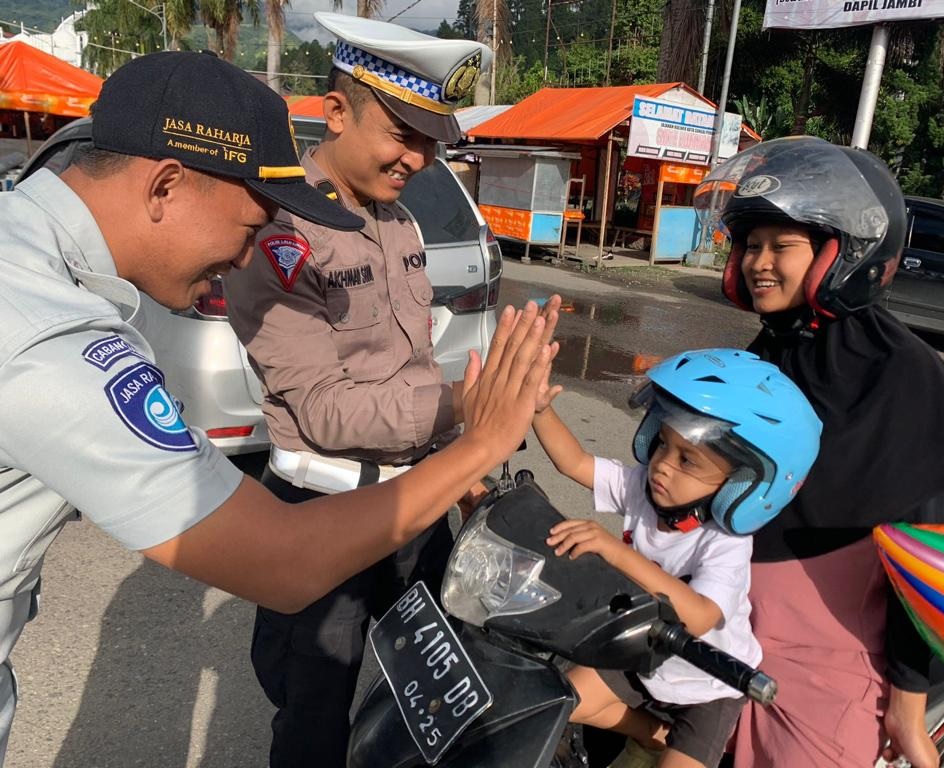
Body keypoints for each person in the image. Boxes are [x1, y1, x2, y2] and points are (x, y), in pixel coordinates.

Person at [0, 50, 558, 766]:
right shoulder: (50, 333)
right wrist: (480, 435)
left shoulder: (30, 257)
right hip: (323, 507)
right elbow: (284, 557)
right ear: (166, 186)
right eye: (245, 227)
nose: (241, 261)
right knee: (313, 718)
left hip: (398, 508)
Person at [221, 14, 497, 765]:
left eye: (430, 141)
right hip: (326, 511)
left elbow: (408, 366)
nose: (419, 157)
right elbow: (324, 407)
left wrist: (463, 451)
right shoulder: (283, 237)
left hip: (415, 503)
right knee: (314, 714)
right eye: (403, 132)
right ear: (337, 111)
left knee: (438, 690)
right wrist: (465, 410)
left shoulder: (399, 223)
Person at [693, 136, 944, 768]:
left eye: (781, 246)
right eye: (750, 245)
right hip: (728, 628)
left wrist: (907, 707)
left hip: (828, 659)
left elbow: (921, 566)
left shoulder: (902, 378)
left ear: (841, 255)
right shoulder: (766, 355)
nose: (756, 262)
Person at [532, 348, 822, 768]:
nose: (662, 466)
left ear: (741, 483)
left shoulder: (724, 541)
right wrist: (540, 410)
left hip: (709, 683)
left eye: (688, 459)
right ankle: (652, 733)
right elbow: (574, 462)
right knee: (560, 701)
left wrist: (614, 551)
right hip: (644, 652)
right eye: (662, 444)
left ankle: (671, 738)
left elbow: (701, 616)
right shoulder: (645, 490)